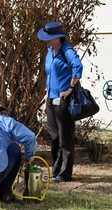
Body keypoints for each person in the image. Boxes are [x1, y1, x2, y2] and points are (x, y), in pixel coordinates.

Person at [37, 21, 83, 182]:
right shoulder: (49, 51)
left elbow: (78, 67)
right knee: (54, 137)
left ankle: (65, 173)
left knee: (65, 138)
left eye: (49, 38)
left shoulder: (66, 50)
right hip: (51, 99)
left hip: (64, 99)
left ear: (58, 37)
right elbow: (49, 76)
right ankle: (55, 171)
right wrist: (46, 96)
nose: (47, 41)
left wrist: (70, 88)